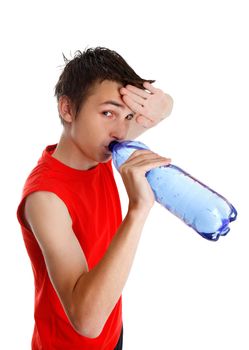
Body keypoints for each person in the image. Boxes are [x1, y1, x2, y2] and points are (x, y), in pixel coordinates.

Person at [17, 47, 173, 350]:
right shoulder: (46, 198)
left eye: (127, 115)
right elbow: (86, 322)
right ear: (68, 109)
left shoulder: (97, 147)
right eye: (108, 112)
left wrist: (166, 104)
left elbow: (156, 112)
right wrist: (138, 210)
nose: (122, 130)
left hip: (112, 333)